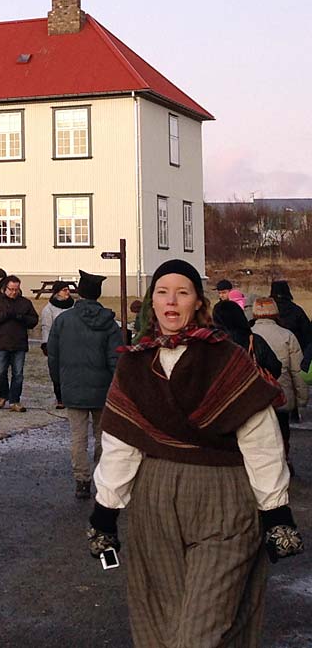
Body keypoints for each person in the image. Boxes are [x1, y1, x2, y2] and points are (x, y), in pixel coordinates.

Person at [89, 259, 301, 647]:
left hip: (223, 498)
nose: (172, 300)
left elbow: (261, 438)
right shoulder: (134, 364)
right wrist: (105, 513)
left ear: (197, 303)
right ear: (152, 302)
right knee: (161, 620)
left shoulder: (227, 359)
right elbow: (122, 444)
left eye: (182, 292)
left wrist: (276, 511)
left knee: (203, 627)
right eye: (162, 292)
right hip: (155, 502)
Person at [47, 270, 120, 498]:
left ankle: (82, 480)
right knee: (103, 436)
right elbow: (115, 359)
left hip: (73, 386)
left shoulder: (63, 321)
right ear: (98, 294)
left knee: (78, 437)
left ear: (80, 292)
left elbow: (53, 356)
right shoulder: (109, 323)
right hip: (103, 387)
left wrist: (59, 383)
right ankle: (101, 475)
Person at [251, 295, 307, 459]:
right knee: (282, 430)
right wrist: (301, 399)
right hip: (281, 393)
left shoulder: (249, 334)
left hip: (257, 394)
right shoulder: (287, 335)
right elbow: (297, 371)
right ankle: (284, 459)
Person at [0, 275, 38, 411]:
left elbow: (34, 320)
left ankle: (15, 400)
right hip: (1, 343)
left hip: (19, 343)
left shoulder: (25, 303)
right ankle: (3, 395)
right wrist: (4, 315)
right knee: (0, 372)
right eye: (11, 289)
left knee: (18, 374)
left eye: (16, 289)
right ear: (4, 288)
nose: (14, 292)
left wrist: (22, 318)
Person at [39, 281, 76, 408]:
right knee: (57, 373)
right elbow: (46, 327)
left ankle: (71, 396)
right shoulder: (48, 309)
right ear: (57, 292)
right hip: (57, 345)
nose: (67, 292)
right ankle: (60, 398)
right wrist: (46, 344)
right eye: (64, 290)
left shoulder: (74, 306)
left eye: (68, 289)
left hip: (72, 344)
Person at [270, 281, 312, 371]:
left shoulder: (268, 311)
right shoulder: (297, 310)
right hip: (296, 353)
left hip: (271, 353)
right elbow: (308, 335)